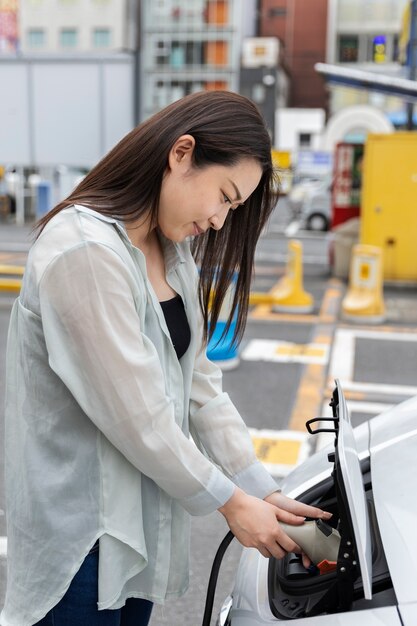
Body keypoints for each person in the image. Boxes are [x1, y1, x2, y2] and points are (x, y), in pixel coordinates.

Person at [1, 91, 331, 626]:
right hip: (83, 539)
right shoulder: (83, 250)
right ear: (181, 154)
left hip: (137, 526)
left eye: (234, 208)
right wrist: (231, 503)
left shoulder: (171, 253)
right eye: (224, 196)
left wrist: (260, 486)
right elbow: (138, 418)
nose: (221, 220)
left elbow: (200, 386)